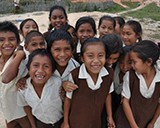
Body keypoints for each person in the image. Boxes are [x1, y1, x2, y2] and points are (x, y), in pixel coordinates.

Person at [61, 37, 115, 128]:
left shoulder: (108, 74)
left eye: (100, 55)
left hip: (96, 120)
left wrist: (110, 116)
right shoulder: (75, 75)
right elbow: (68, 99)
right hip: (76, 121)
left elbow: (107, 94)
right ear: (82, 58)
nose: (96, 61)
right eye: (90, 56)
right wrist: (65, 122)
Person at [115, 40, 160, 128]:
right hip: (126, 123)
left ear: (149, 62)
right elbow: (125, 101)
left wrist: (152, 123)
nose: (132, 65)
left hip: (146, 122)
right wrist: (134, 125)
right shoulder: (130, 76)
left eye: (134, 62)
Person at [17, 49, 63, 128]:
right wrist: (33, 126)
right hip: (41, 123)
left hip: (61, 122)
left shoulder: (58, 83)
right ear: (28, 68)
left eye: (46, 66)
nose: (40, 70)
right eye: (35, 65)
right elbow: (26, 107)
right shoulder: (22, 88)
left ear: (52, 71)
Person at [0, 21, 31, 128]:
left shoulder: (20, 58)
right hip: (7, 109)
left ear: (18, 42)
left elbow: (6, 78)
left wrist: (20, 54)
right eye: (1, 40)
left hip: (22, 111)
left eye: (11, 39)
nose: (7, 43)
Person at [112, 46, 132, 116]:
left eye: (129, 63)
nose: (125, 67)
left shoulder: (134, 78)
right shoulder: (113, 69)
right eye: (121, 63)